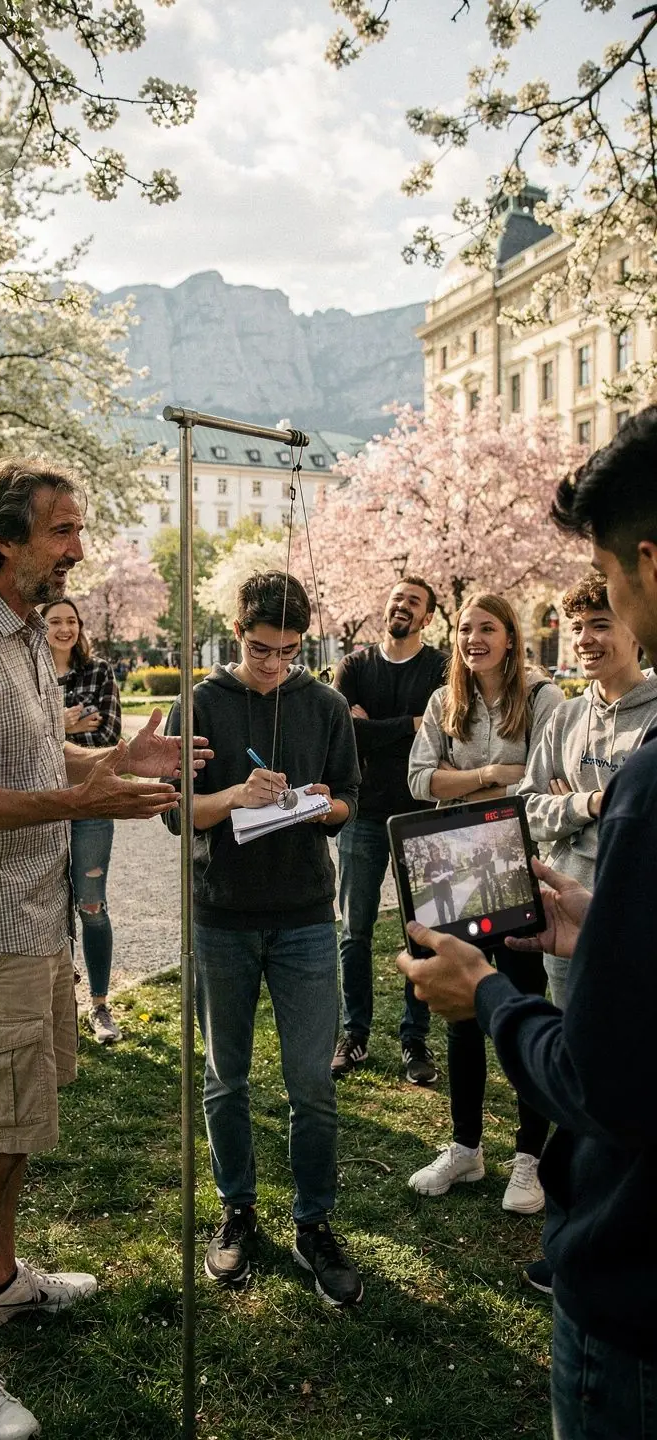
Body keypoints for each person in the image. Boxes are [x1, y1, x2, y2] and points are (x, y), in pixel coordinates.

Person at [0, 456, 209, 1440]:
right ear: (4, 540)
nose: (80, 549)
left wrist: (113, 758)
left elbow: (30, 755)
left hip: (36, 924)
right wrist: (80, 797)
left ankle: (0, 1282)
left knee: (19, 1124)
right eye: (62, 532)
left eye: (79, 530)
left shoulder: (29, 632)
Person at [396, 406, 657, 1440]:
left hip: (634, 1291)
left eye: (609, 584)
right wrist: (601, 927)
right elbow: (495, 787)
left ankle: (506, 1151)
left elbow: (606, 1082)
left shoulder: (647, 780)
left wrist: (489, 995)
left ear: (644, 560)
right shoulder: (555, 724)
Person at [165, 570, 363, 1307]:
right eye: (259, 648)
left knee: (312, 1083)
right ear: (235, 629)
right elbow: (178, 813)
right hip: (223, 918)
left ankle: (314, 1223)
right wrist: (233, 797)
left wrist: (320, 807)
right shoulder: (203, 704)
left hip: (308, 915)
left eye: (288, 651)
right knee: (227, 1077)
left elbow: (350, 799)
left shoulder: (327, 705)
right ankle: (238, 1210)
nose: (274, 664)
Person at [406, 592, 562, 1213]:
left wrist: (474, 777)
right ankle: (465, 1148)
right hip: (455, 872)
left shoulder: (544, 700)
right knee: (464, 1011)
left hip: (517, 870)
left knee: (523, 1002)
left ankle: (530, 1156)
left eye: (487, 628)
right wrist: (492, 775)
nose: (474, 639)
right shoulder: (445, 703)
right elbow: (420, 780)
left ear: (510, 636)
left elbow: (548, 780)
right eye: (466, 629)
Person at [518, 571, 657, 1009]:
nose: (583, 639)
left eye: (599, 624)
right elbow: (526, 808)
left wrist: (566, 805)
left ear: (634, 628)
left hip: (638, 918)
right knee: (572, 1050)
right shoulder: (566, 718)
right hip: (565, 917)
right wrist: (588, 803)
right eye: (576, 626)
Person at [332, 578, 448, 1086]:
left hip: (422, 815)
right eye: (397, 597)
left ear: (427, 618)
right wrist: (409, 724)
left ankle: (414, 1040)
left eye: (414, 602)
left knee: (420, 932)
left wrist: (375, 725)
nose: (402, 606)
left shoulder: (443, 668)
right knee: (353, 932)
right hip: (362, 814)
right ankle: (354, 1034)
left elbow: (444, 731)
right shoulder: (355, 667)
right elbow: (345, 730)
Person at [42, 597, 123, 1045]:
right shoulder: (28, 673)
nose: (64, 628)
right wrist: (64, 723)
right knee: (49, 909)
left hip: (91, 804)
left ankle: (100, 1004)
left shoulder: (99, 672)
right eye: (54, 620)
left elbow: (109, 734)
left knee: (90, 904)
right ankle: (60, 1012)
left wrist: (54, 729)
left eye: (71, 620)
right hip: (45, 803)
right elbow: (17, 735)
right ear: (42, 627)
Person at [423, 843, 456, 924]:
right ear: (431, 853)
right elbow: (425, 880)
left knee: (452, 912)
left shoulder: (445, 861)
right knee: (441, 916)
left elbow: (453, 875)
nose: (436, 852)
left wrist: (448, 876)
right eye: (434, 851)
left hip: (447, 891)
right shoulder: (428, 865)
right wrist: (433, 878)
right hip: (437, 893)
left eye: (437, 850)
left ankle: (454, 925)